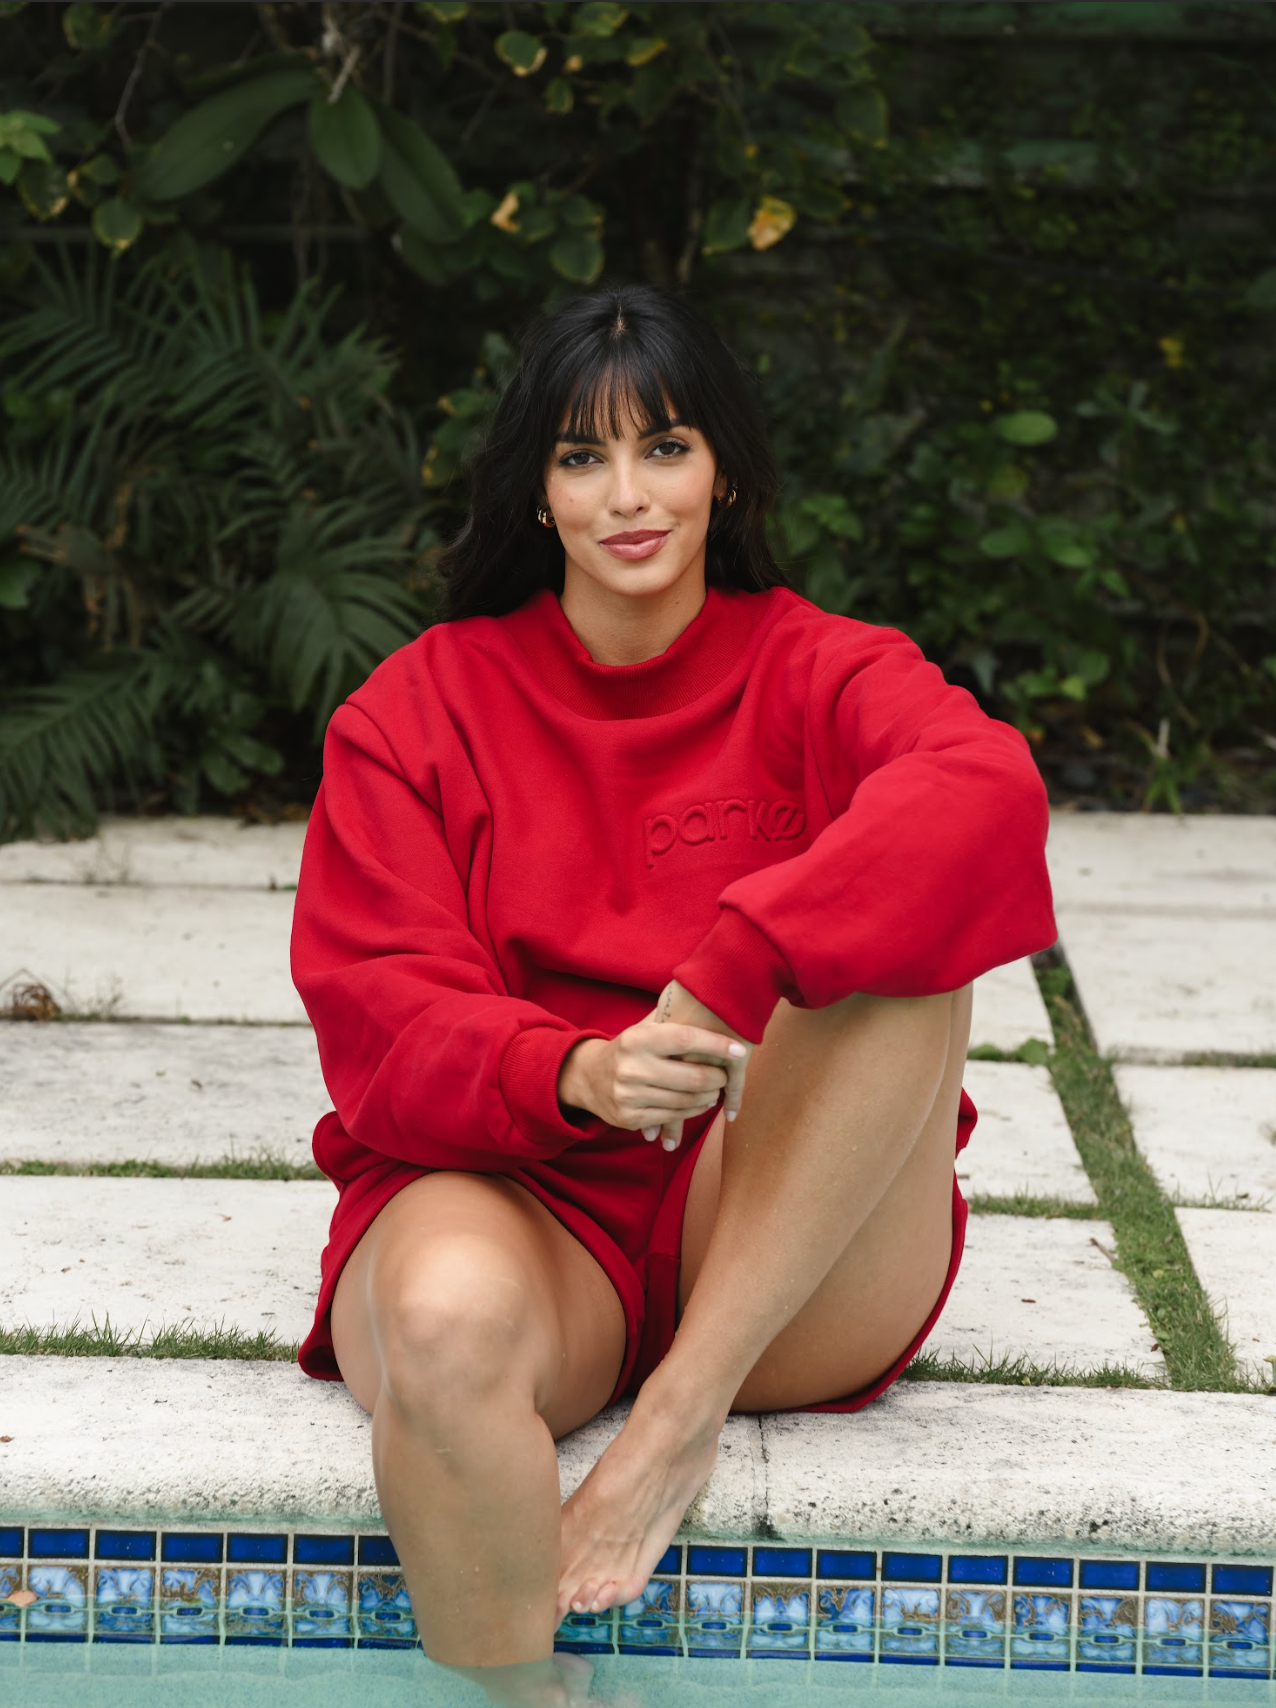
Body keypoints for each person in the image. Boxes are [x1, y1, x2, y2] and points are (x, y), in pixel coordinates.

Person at [290, 282, 1057, 1705]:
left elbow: (988, 794)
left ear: (727, 472)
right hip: (530, 1202)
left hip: (775, 1239)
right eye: (583, 458)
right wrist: (572, 1072)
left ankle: (676, 1423)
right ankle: (519, 1695)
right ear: (535, 491)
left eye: (668, 448)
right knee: (446, 1325)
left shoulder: (821, 668)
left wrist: (723, 982)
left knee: (903, 941)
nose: (628, 497)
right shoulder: (414, 711)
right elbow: (380, 1021)